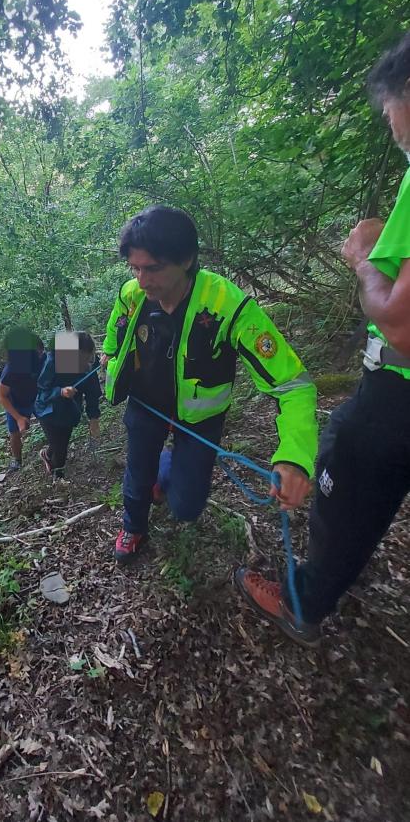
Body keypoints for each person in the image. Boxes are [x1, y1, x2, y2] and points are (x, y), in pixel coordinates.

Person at [236, 32, 410, 647]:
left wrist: (365, 257)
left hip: (398, 391)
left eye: (394, 114)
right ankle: (335, 576)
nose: (392, 130)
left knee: (342, 477)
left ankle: (304, 603)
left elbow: (398, 322)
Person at [101, 206, 318, 570]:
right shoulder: (132, 294)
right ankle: (133, 527)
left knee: (187, 506)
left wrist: (295, 456)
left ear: (186, 259)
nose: (141, 280)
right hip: (144, 407)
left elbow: (293, 385)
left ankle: (166, 467)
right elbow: (115, 330)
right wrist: (109, 355)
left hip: (199, 420)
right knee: (138, 475)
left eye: (152, 268)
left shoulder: (227, 306)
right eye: (134, 268)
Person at [35, 331, 101, 480]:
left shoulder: (90, 362)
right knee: (60, 449)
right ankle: (58, 477)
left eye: (88, 357)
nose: (86, 363)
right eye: (81, 359)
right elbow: (41, 392)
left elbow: (92, 391)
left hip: (69, 409)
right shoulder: (54, 360)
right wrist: (60, 392)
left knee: (62, 441)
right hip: (48, 410)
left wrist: (94, 417)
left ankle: (47, 454)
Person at [0, 330, 45, 471]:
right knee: (15, 432)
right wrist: (18, 418)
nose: (39, 355)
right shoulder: (11, 370)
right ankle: (17, 459)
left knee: (48, 419)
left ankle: (54, 447)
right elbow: (2, 396)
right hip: (16, 402)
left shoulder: (43, 359)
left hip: (36, 397)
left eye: (40, 352)